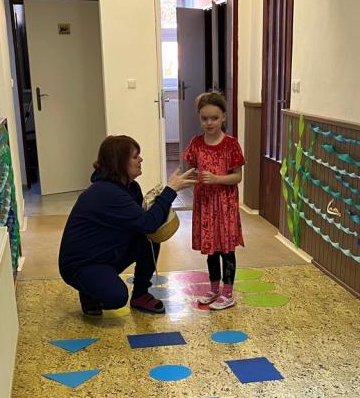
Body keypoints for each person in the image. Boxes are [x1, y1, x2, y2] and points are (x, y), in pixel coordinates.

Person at [59, 136, 195, 316]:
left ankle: (140, 295)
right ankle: (88, 291)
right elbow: (149, 223)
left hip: (105, 252)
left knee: (148, 239)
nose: (141, 160)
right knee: (117, 297)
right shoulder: (107, 192)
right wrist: (169, 191)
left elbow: (145, 226)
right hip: (81, 264)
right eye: (135, 156)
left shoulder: (131, 187)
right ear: (120, 162)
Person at [183, 91, 245, 311]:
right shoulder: (196, 143)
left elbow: (237, 177)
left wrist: (217, 179)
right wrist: (186, 179)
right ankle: (214, 288)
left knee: (227, 249)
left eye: (214, 118)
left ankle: (228, 293)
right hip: (205, 205)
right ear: (199, 118)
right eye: (204, 118)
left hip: (225, 206)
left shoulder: (231, 144)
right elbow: (192, 169)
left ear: (223, 117)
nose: (209, 123)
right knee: (211, 249)